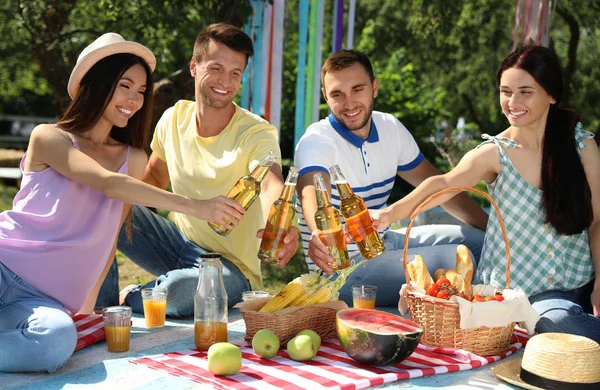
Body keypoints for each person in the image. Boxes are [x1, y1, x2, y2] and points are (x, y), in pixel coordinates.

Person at [0, 33, 248, 373]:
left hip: (38, 303)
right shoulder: (49, 137)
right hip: (4, 264)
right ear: (96, 84)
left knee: (56, 342)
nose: (134, 99)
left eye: (141, 91)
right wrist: (197, 206)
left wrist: (86, 310)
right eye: (124, 85)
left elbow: (108, 238)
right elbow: (107, 183)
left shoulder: (132, 158)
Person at [376, 46, 600, 342]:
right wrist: (391, 213)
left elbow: (597, 222)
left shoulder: (582, 147)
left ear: (552, 95)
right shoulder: (495, 153)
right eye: (505, 91)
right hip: (518, 296)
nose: (513, 102)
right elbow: (444, 184)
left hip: (580, 284)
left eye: (525, 92)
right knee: (558, 325)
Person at [97, 23, 299, 318]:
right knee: (105, 198)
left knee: (181, 291)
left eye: (235, 73)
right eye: (216, 68)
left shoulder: (257, 132)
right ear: (194, 65)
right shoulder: (173, 118)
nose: (225, 81)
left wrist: (280, 225)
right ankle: (98, 308)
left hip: (231, 270)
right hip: (175, 245)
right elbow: (152, 180)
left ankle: (129, 298)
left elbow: (269, 184)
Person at [295, 50, 488, 306]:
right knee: (458, 258)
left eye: (358, 89)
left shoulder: (390, 128)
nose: (349, 103)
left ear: (374, 87)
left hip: (385, 244)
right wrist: (319, 231)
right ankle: (479, 315)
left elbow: (439, 187)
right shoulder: (317, 140)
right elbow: (311, 186)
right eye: (337, 94)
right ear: (325, 96)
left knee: (483, 242)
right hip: (343, 272)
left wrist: (494, 228)